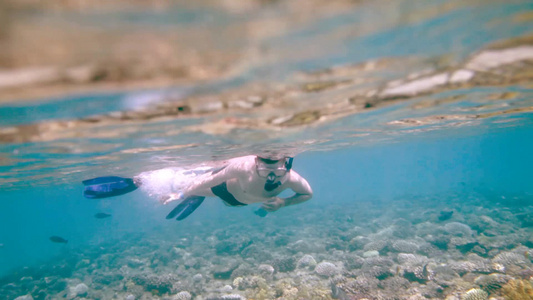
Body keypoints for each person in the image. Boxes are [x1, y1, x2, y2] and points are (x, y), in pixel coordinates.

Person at [82, 155, 313, 221]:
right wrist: (180, 194)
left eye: (278, 170)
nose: (271, 176)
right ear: (256, 163)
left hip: (237, 201)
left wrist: (284, 202)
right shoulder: (242, 167)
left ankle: (191, 194)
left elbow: (307, 194)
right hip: (222, 190)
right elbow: (209, 183)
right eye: (264, 169)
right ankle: (134, 182)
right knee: (194, 181)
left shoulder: (292, 178)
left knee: (199, 185)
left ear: (287, 164)